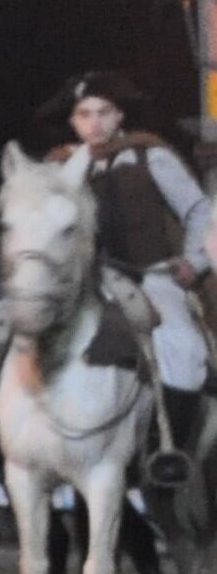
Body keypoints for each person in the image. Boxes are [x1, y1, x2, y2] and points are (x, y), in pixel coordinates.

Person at [41, 69, 212, 453]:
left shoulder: (151, 154)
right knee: (10, 330)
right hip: (90, 282)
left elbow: (199, 210)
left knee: (183, 348)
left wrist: (194, 261)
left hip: (152, 279)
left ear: (120, 116)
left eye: (104, 112)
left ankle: (172, 455)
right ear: (73, 121)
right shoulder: (63, 167)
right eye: (84, 114)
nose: (95, 122)